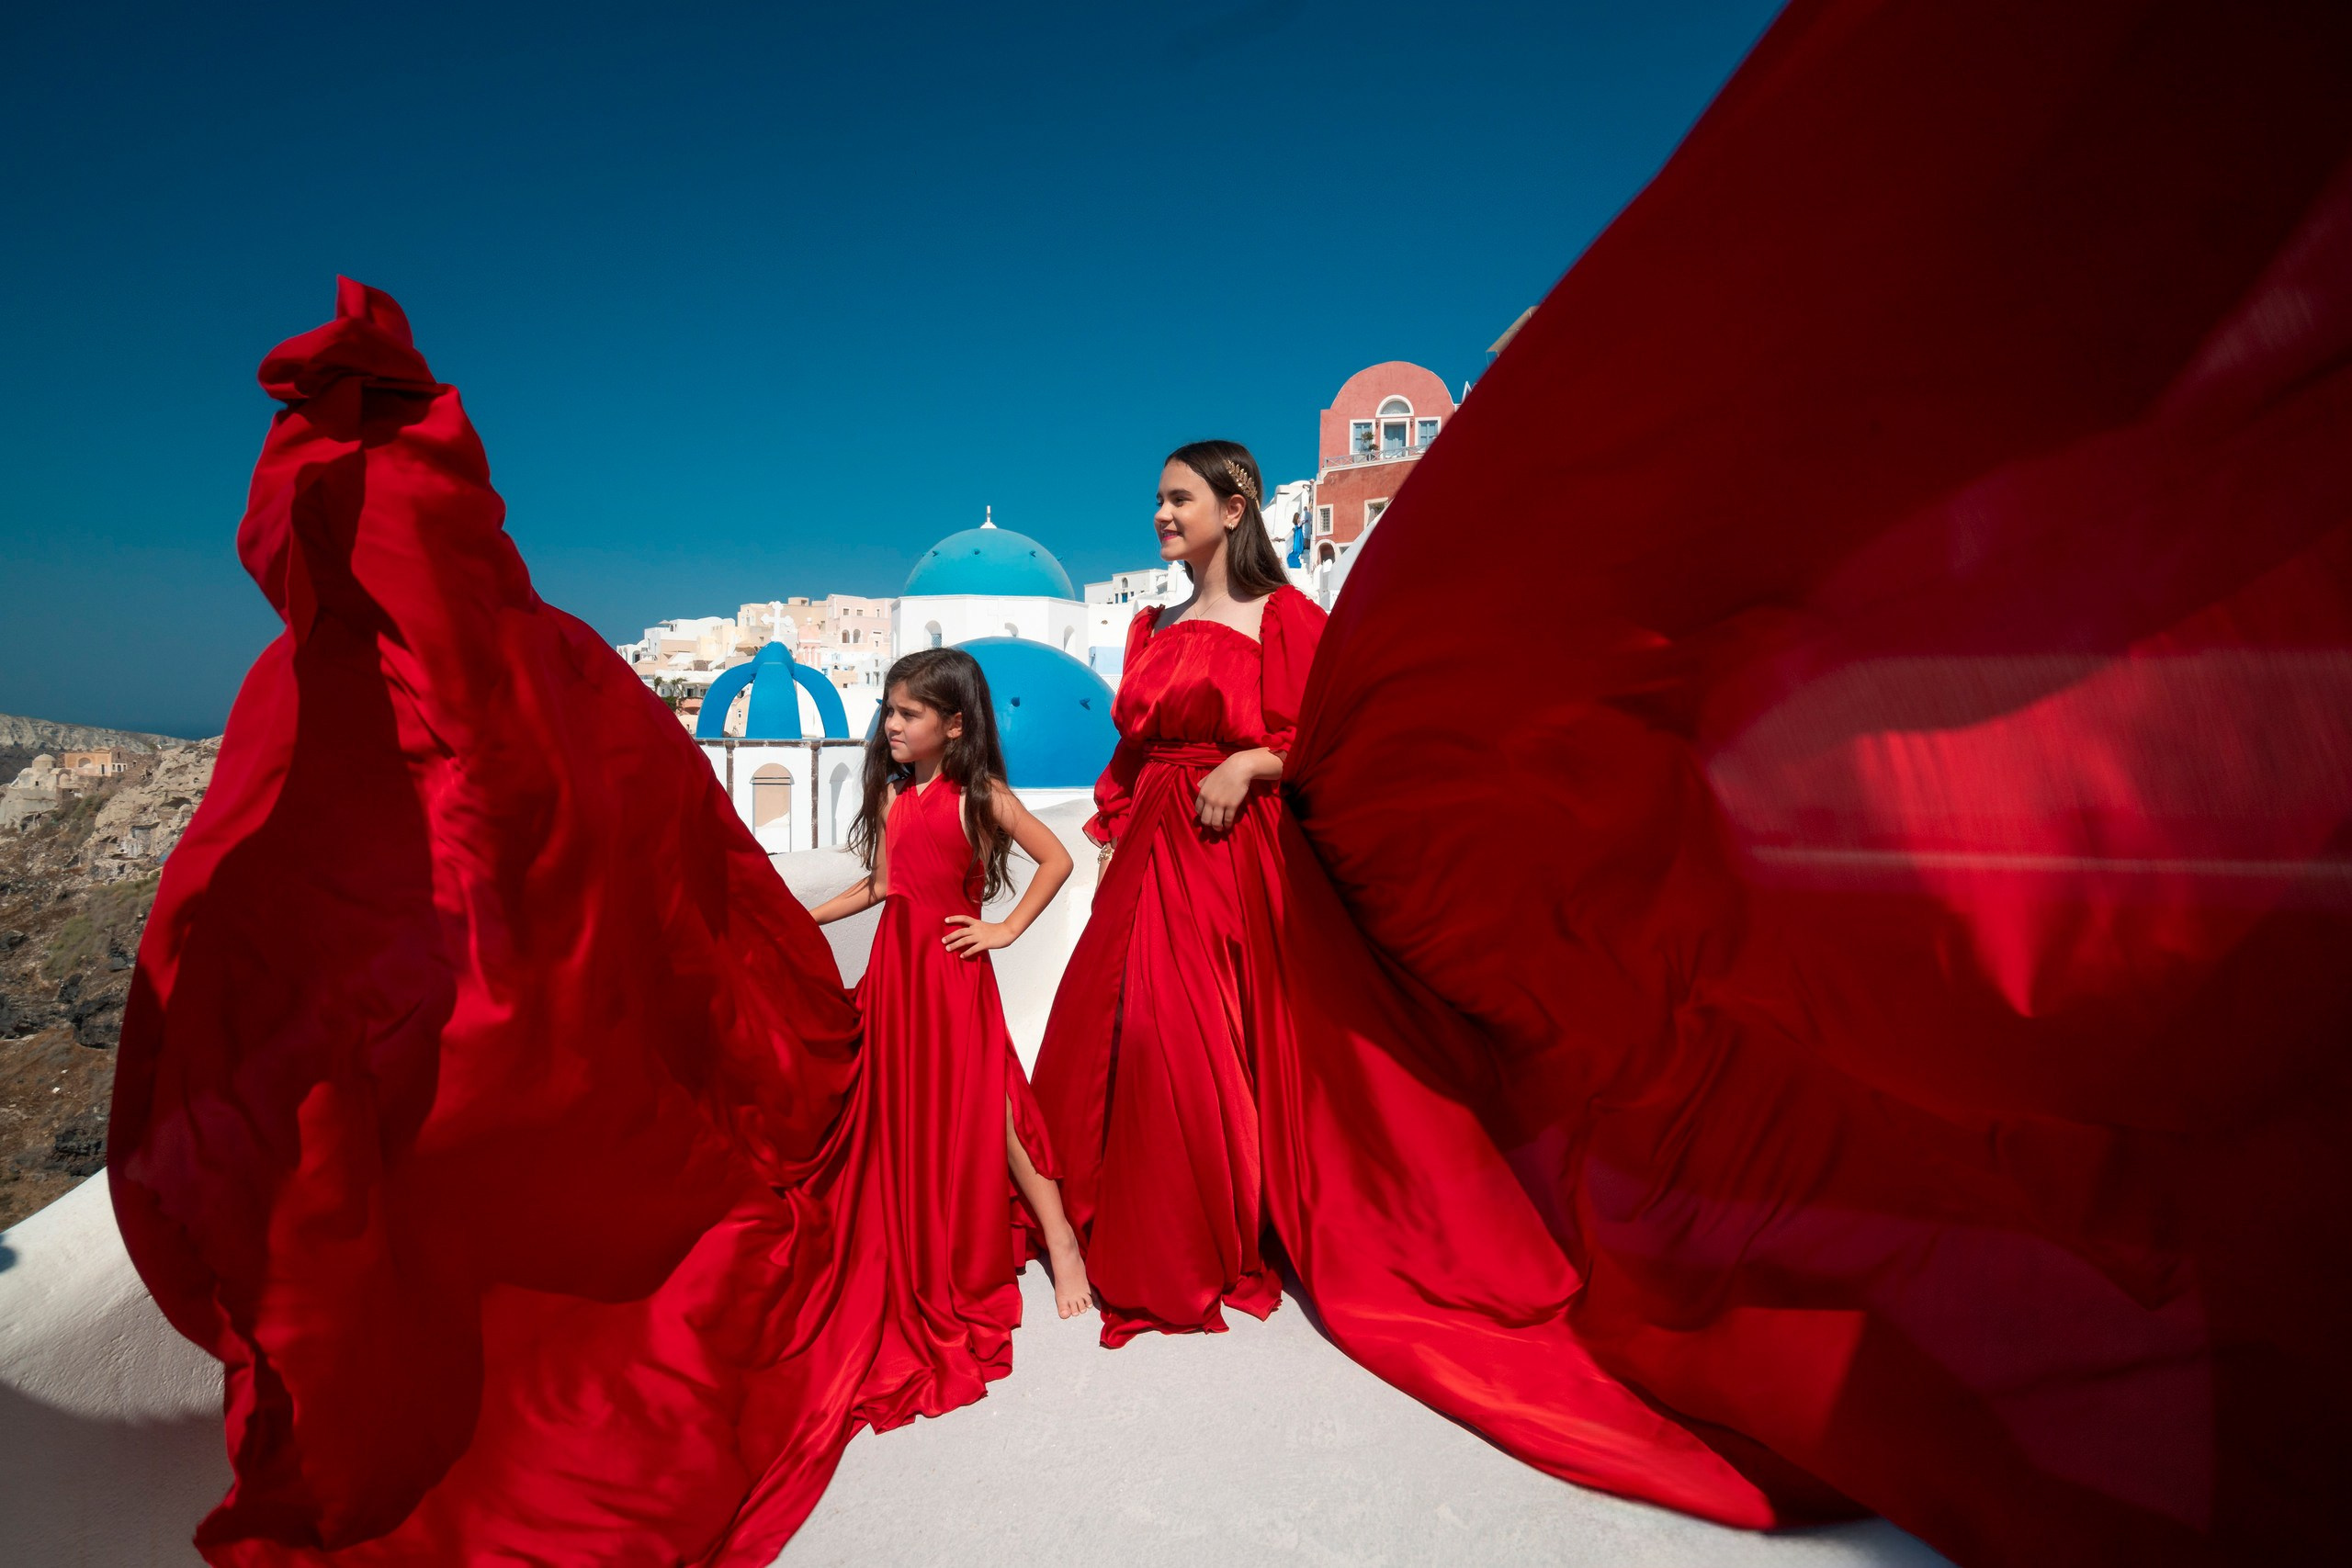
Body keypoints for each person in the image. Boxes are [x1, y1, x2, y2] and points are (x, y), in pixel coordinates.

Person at [1031, 439, 1326, 1346]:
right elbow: (1126, 755)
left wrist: (1249, 760)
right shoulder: (1147, 628)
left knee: (1191, 1033)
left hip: (1229, 847)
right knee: (1111, 1029)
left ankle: (1194, 1240)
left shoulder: (1283, 615)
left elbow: (1329, 733)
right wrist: (1113, 837)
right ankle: (1117, 1214)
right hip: (1148, 841)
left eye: (1179, 498)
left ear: (1234, 510)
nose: (1160, 513)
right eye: (1156, 500)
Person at [806, 646, 1095, 1399]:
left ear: (955, 724)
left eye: (909, 713)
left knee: (994, 1101)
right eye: (889, 711)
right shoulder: (896, 798)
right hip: (897, 974)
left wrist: (1004, 930)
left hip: (952, 970)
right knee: (898, 1098)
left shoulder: (981, 794)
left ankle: (1060, 1239)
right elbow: (880, 884)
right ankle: (920, 1226)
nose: (891, 724)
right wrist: (803, 916)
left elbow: (1058, 858)